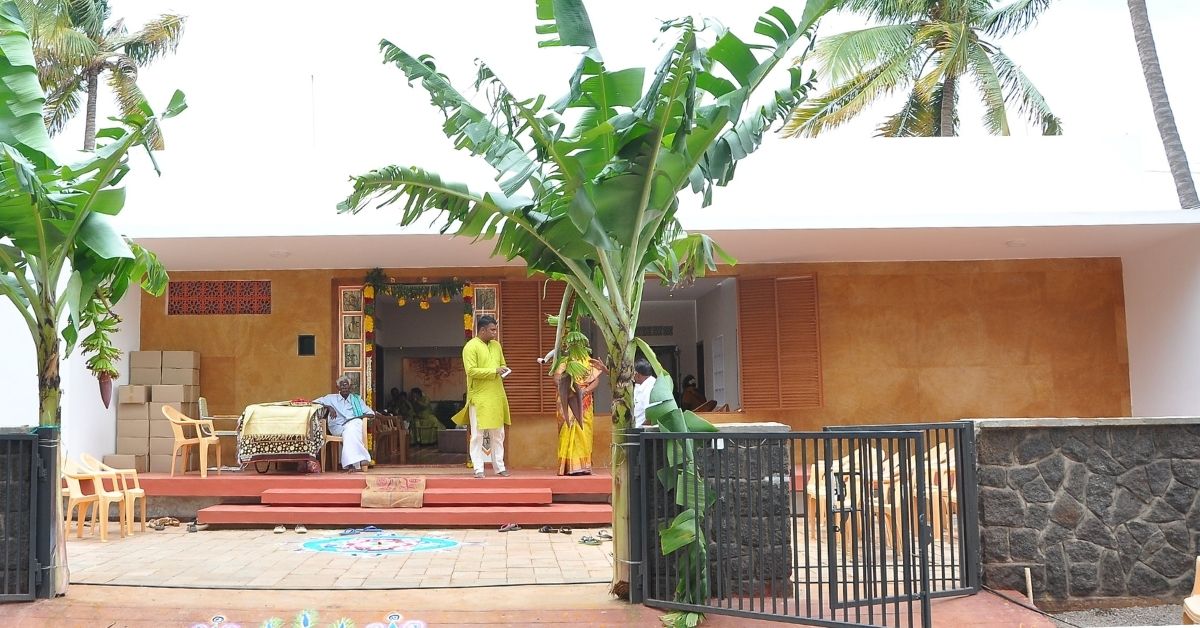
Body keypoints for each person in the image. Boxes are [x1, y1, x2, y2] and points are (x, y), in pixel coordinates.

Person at [460, 315, 511, 478]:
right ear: (482, 330)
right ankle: (478, 468)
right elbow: (471, 371)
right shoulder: (470, 347)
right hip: (479, 397)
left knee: (499, 433)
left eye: (495, 329)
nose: (495, 333)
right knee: (477, 434)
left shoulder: (496, 346)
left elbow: (502, 364)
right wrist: (493, 371)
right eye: (492, 330)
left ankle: (499, 467)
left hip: (496, 395)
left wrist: (503, 369)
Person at [552, 342, 607, 476]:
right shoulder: (565, 361)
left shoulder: (588, 360)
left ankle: (583, 466)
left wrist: (584, 391)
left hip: (584, 400)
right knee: (567, 429)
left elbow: (596, 380)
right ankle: (568, 466)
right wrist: (571, 389)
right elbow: (556, 379)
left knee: (584, 431)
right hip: (568, 399)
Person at [314, 375, 374, 472]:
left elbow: (371, 414)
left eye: (346, 386)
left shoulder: (356, 399)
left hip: (352, 427)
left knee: (353, 426)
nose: (344, 388)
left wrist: (354, 418)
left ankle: (352, 464)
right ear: (338, 388)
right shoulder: (331, 398)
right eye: (342, 386)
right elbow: (314, 403)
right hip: (337, 427)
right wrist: (329, 407)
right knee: (352, 429)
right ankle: (361, 459)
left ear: (350, 387)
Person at [632, 358, 657, 428]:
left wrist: (639, 428)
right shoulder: (641, 385)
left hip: (644, 434)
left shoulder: (650, 388)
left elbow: (651, 416)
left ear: (637, 374)